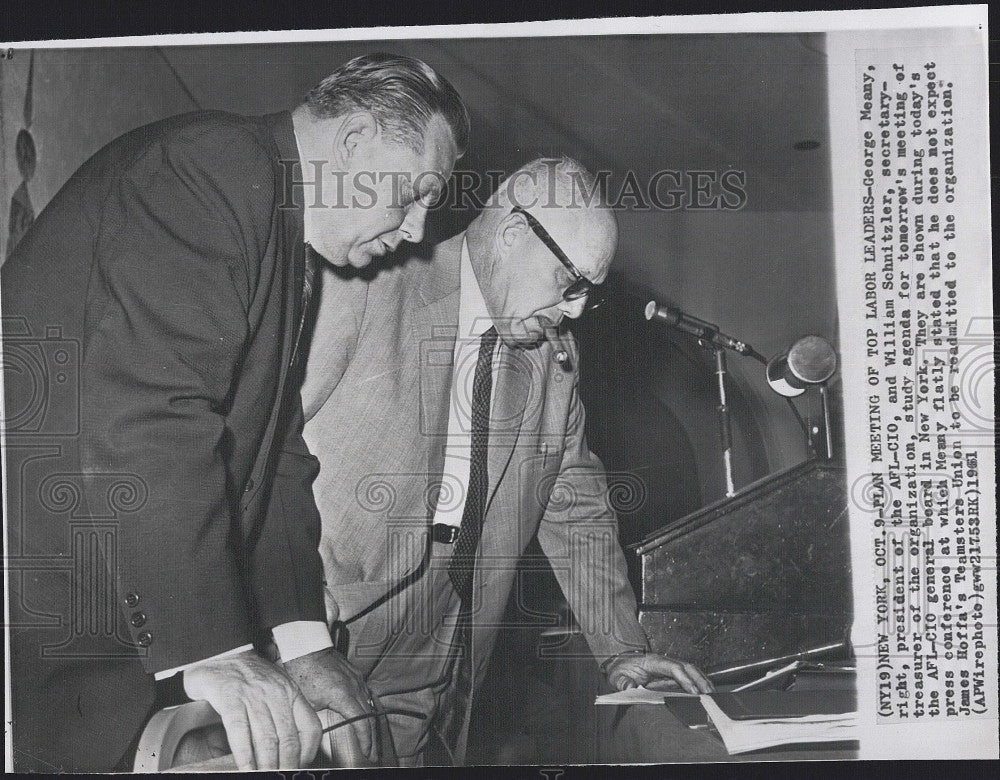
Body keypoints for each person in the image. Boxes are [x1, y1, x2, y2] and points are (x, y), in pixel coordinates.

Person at [1, 52, 468, 772]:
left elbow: (271, 454)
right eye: (414, 195)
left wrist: (306, 644)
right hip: (43, 609)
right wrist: (215, 650)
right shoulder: (214, 167)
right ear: (355, 142)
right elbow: (150, 414)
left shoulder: (281, 229)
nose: (414, 233)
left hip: (105, 616)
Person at [299, 157, 713, 766]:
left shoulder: (554, 360)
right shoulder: (362, 288)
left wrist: (619, 648)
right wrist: (292, 630)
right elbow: (256, 459)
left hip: (451, 665)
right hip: (324, 647)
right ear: (515, 235)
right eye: (569, 282)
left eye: (588, 295)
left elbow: (575, 511)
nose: (574, 310)